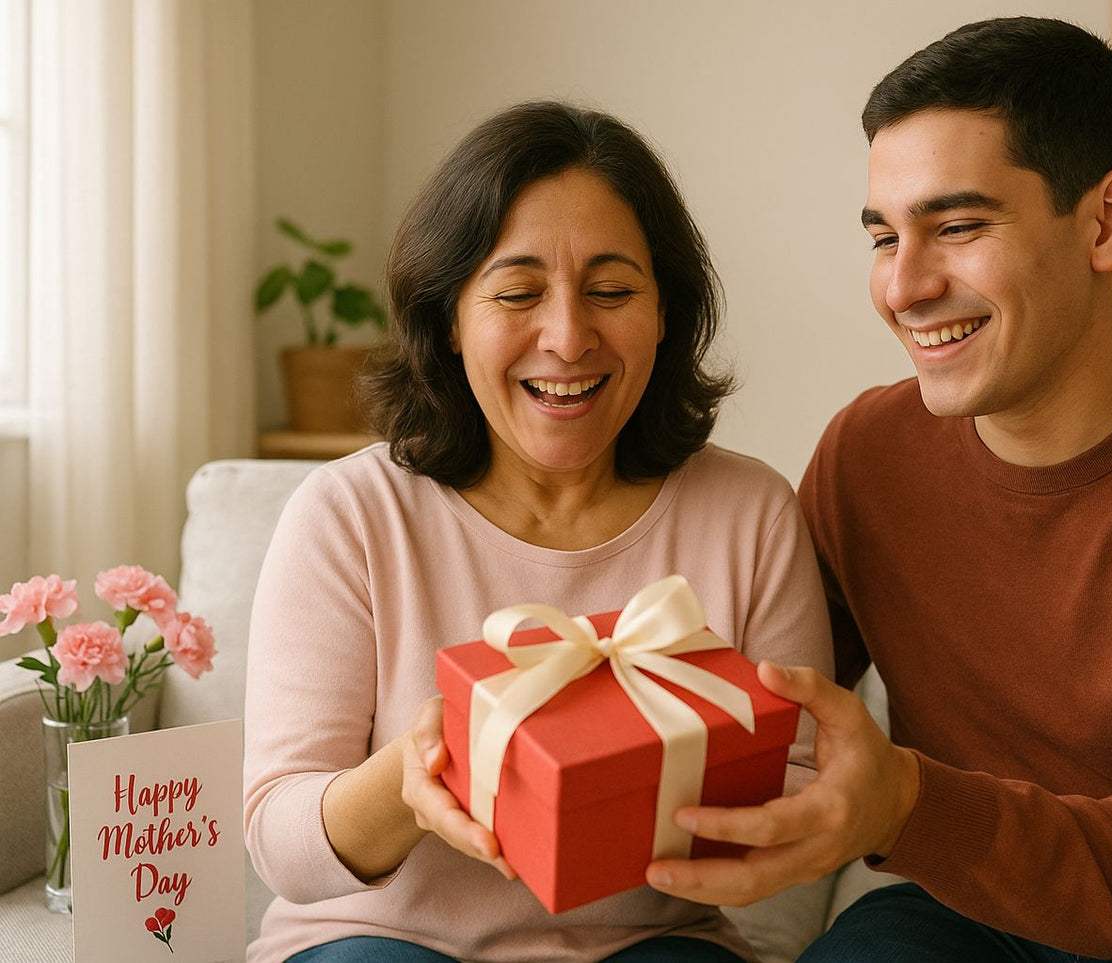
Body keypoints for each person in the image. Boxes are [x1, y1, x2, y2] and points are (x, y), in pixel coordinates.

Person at [645, 17, 1112, 963]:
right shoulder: (867, 451)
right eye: (883, 236)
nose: (902, 287)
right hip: (958, 908)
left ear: (1106, 222)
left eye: (957, 227)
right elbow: (748, 710)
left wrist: (905, 800)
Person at [243, 101, 832, 963]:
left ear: (665, 310)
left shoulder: (749, 512)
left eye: (611, 291)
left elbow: (802, 791)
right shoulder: (350, 515)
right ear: (450, 320)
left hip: (651, 941)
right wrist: (413, 779)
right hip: (382, 941)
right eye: (518, 292)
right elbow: (280, 845)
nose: (566, 336)